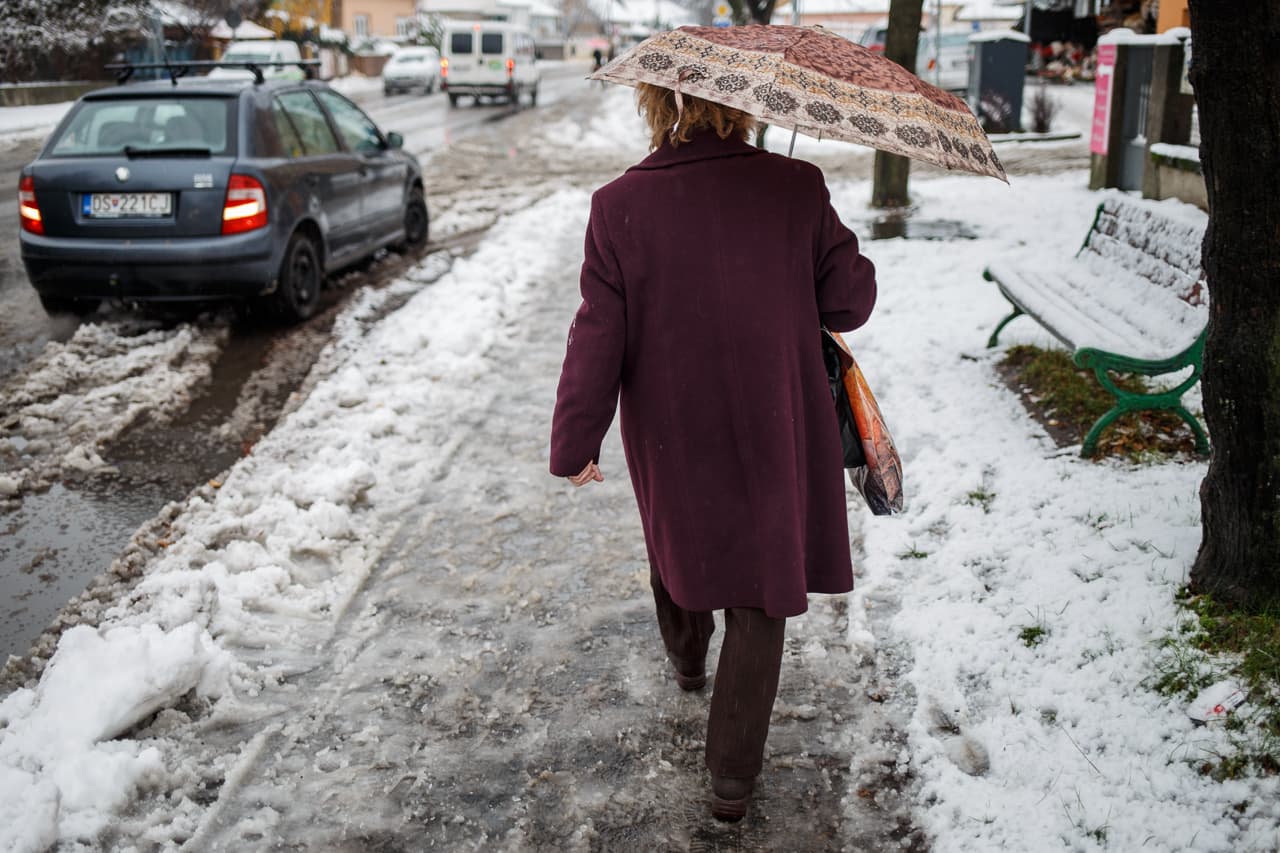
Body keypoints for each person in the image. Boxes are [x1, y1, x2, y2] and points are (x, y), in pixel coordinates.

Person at [549, 82, 877, 822]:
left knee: (682, 541)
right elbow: (849, 300)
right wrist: (811, 227)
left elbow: (598, 334)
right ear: (745, 105)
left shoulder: (618, 206)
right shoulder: (795, 186)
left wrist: (576, 440)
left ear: (657, 107)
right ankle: (732, 779)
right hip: (776, 421)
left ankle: (688, 657)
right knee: (763, 585)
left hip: (673, 425)